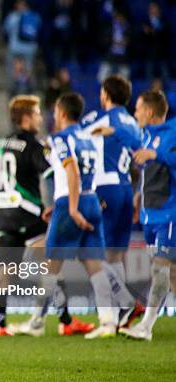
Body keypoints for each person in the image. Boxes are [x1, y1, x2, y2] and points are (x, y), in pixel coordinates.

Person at [0, 95, 93, 337]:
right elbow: (53, 173)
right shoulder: (35, 146)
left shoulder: (0, 144)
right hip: (29, 214)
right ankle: (65, 321)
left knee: (5, 269)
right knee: (51, 264)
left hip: (3, 214)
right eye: (36, 113)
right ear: (26, 118)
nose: (41, 118)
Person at [43, 92, 117, 339]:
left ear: (62, 113)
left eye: (55, 111)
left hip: (71, 202)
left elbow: (71, 171)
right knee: (94, 264)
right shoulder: (88, 137)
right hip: (91, 199)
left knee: (51, 265)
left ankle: (35, 322)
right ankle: (108, 322)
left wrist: (71, 207)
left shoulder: (59, 138)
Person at [79, 75, 145, 329]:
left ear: (105, 94)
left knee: (93, 252)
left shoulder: (101, 119)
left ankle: (116, 311)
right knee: (115, 255)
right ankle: (120, 316)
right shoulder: (132, 121)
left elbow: (76, 137)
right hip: (125, 189)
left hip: (103, 188)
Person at [121, 91, 175, 340]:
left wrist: (157, 155)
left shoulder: (172, 131)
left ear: (150, 112)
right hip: (149, 214)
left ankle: (146, 326)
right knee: (171, 273)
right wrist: (136, 196)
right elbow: (147, 174)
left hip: (169, 214)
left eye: (138, 109)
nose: (135, 113)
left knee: (160, 269)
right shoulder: (145, 135)